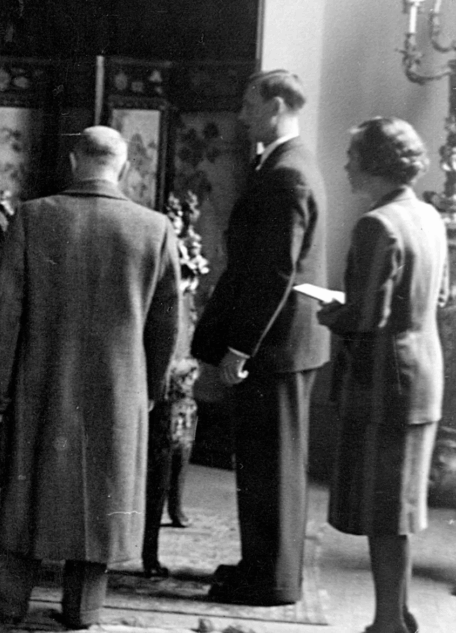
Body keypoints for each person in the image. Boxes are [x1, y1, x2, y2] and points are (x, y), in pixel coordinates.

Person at [0, 126, 181, 629]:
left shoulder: (33, 217)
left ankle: (8, 600)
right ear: (124, 167)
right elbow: (167, 322)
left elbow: (7, 312)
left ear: (73, 160)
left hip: (42, 378)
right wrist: (150, 388)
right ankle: (83, 607)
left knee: (28, 485)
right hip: (120, 385)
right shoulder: (154, 227)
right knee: (103, 489)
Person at [191, 69, 330, 605]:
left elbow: (275, 272)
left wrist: (239, 347)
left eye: (249, 106)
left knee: (273, 466)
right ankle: (263, 567)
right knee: (267, 463)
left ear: (274, 107)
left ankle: (271, 582)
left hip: (275, 345)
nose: (242, 116)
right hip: (283, 342)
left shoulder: (286, 174)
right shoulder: (284, 163)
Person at [317, 118, 447, 633]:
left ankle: (388, 621)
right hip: (423, 378)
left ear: (374, 163)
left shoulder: (377, 225)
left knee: (383, 511)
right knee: (401, 506)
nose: (347, 165)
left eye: (352, 156)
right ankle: (398, 613)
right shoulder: (428, 215)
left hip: (385, 385)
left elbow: (367, 316)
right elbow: (435, 296)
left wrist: (333, 314)